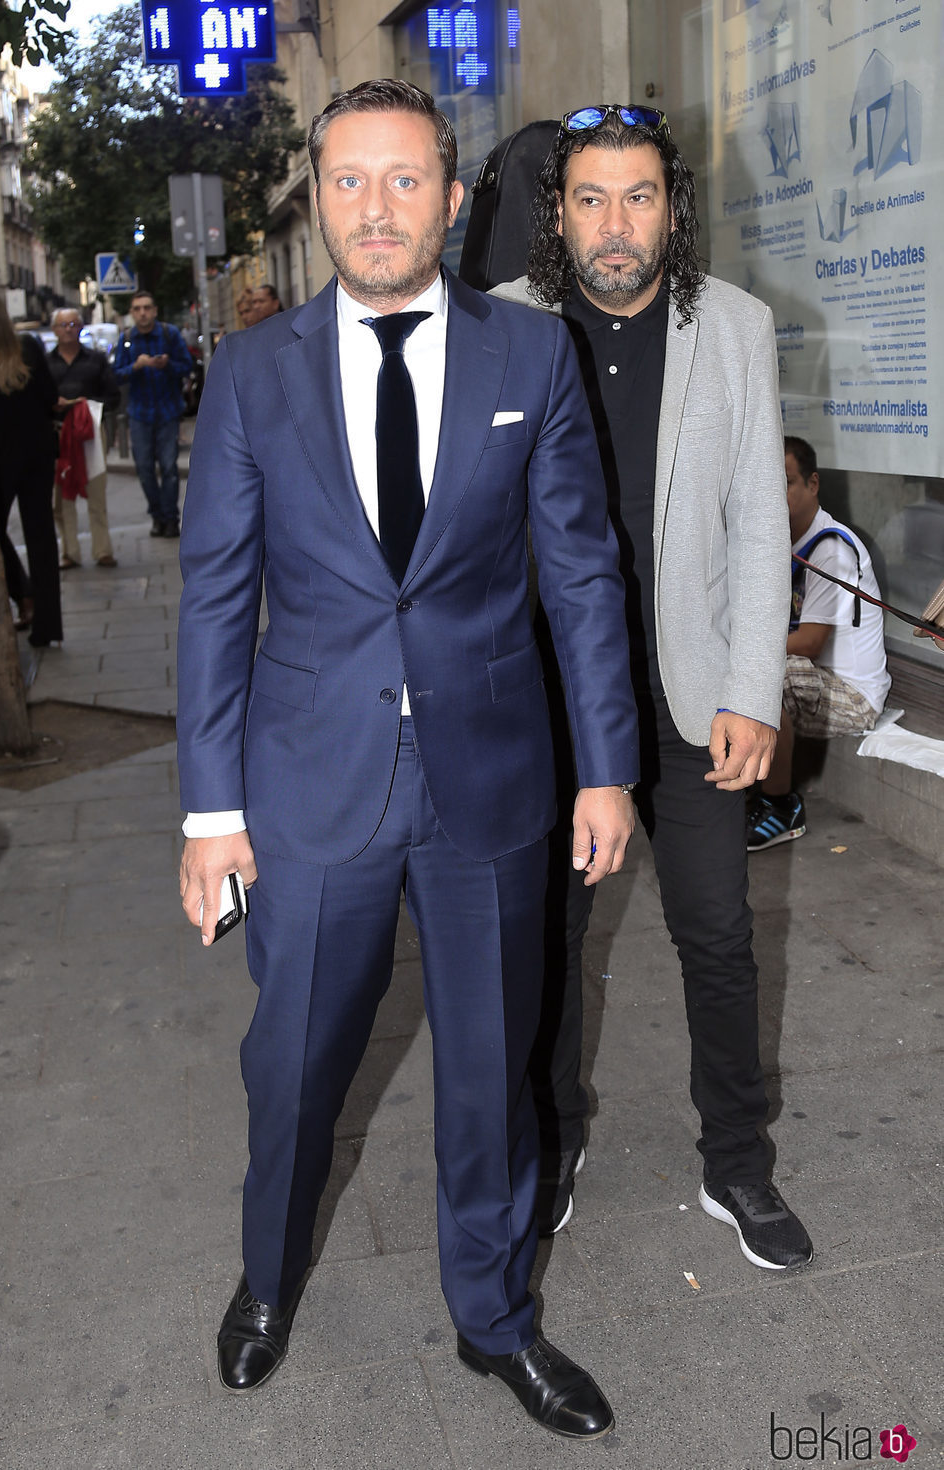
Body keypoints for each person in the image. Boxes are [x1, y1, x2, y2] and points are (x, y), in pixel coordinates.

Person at [176, 79, 639, 1439]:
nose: (375, 208)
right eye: (347, 181)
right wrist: (211, 813)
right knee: (295, 1067)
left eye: (404, 179)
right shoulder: (255, 372)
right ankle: (269, 1278)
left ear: (451, 194)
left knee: (493, 1067)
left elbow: (582, 574)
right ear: (318, 198)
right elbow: (214, 594)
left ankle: (495, 1317)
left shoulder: (529, 359)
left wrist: (604, 766)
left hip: (489, 776)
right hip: (306, 782)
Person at [493, 105, 813, 1269]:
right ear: (557, 213)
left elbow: (748, 528)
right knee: (546, 938)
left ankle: (735, 1163)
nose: (613, 224)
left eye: (637, 197)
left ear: (670, 209)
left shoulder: (731, 327)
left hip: (689, 698)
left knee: (717, 934)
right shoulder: (505, 328)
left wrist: (752, 691)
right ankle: (552, 1146)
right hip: (548, 703)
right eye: (589, 198)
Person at [746, 436, 891, 850]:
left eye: (788, 482)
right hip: (817, 680)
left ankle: (782, 807)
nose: (779, 493)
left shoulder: (831, 548)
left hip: (853, 694)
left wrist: (746, 651)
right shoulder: (780, 542)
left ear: (813, 484)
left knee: (765, 680)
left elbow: (809, 642)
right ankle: (751, 791)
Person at [0, 285, 62, 649]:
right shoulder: (30, 349)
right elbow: (50, 398)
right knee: (41, 537)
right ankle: (47, 625)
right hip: (37, 455)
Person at [113, 290, 191, 538]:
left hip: (167, 411)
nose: (142, 313)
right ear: (132, 313)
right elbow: (116, 374)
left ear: (155, 311)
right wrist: (136, 366)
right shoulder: (126, 339)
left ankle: (170, 520)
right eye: (137, 309)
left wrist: (167, 364)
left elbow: (187, 366)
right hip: (139, 414)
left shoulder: (170, 334)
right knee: (145, 468)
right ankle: (157, 515)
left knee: (168, 467)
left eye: (147, 308)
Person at [47, 308, 121, 569]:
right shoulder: (45, 363)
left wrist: (85, 404)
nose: (68, 328)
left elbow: (113, 396)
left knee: (96, 492)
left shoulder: (96, 360)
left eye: (73, 324)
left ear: (80, 328)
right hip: (58, 435)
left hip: (90, 432)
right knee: (62, 495)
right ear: (55, 330)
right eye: (62, 324)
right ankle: (70, 551)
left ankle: (102, 550)